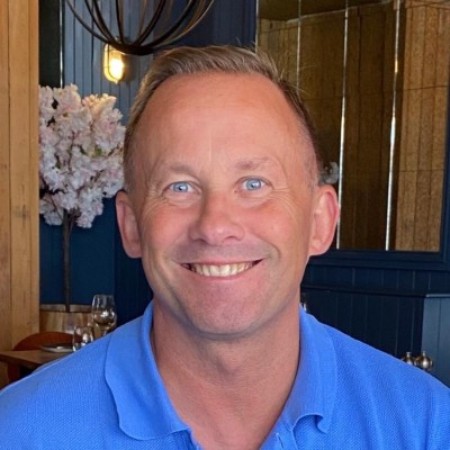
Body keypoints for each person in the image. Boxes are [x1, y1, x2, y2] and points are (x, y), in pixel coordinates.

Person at [0, 45, 449, 449]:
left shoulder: (427, 425)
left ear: (320, 221)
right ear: (131, 226)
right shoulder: (20, 431)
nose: (215, 226)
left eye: (254, 184)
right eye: (179, 187)